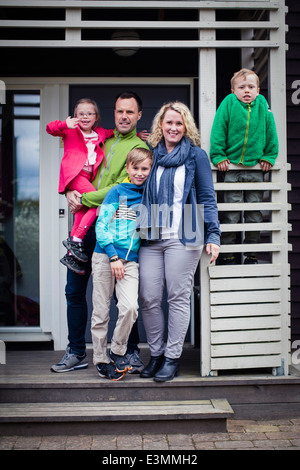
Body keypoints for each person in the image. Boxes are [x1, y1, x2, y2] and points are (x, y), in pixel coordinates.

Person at [51, 91, 149, 373]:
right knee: (75, 291)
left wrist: (82, 199)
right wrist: (70, 187)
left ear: (139, 115)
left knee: (123, 295)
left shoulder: (137, 148)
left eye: (130, 112)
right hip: (84, 227)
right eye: (120, 111)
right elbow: (76, 159)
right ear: (113, 113)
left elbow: (118, 190)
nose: (124, 116)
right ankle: (76, 351)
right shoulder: (102, 137)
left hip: (114, 225)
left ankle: (128, 352)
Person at [137, 101, 220, 382]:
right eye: (169, 122)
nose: (173, 127)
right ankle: (157, 353)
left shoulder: (195, 155)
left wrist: (213, 234)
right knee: (148, 297)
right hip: (152, 232)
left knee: (178, 296)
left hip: (185, 233)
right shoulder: (151, 154)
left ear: (186, 127)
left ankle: (172, 358)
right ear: (160, 125)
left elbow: (207, 197)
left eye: (179, 123)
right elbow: (133, 188)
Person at [92, 148, 153, 381]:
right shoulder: (117, 192)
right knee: (100, 312)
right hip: (106, 257)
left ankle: (117, 351)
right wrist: (113, 256)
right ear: (127, 168)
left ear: (150, 170)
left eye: (144, 168)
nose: (139, 173)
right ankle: (100, 359)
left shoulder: (149, 194)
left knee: (130, 308)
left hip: (131, 262)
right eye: (135, 168)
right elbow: (101, 226)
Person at [210, 68, 279, 265]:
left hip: (255, 169)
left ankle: (251, 253)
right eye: (241, 87)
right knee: (231, 212)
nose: (246, 91)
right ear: (233, 90)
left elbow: (271, 131)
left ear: (258, 90)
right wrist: (218, 155)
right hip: (231, 167)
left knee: (254, 213)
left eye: (251, 87)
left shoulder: (262, 105)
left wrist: (269, 155)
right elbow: (218, 129)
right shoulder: (229, 104)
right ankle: (230, 253)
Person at [46, 99, 114, 275]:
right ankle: (76, 239)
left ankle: (70, 254)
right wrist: (64, 124)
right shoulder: (70, 130)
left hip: (87, 176)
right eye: (81, 114)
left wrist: (137, 136)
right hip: (74, 174)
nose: (85, 117)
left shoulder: (99, 132)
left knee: (82, 208)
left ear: (96, 117)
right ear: (75, 117)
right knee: (97, 203)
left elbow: (114, 133)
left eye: (89, 113)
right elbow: (50, 128)